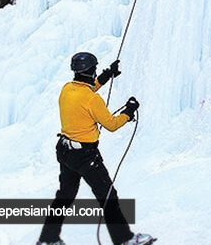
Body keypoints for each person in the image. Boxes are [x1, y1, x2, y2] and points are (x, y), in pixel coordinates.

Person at [37, 52, 153, 245]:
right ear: (91, 71)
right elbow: (112, 125)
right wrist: (129, 111)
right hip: (85, 156)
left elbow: (88, 89)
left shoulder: (67, 89)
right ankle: (125, 240)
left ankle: (48, 240)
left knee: (64, 196)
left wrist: (108, 75)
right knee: (108, 196)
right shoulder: (92, 100)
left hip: (65, 151)